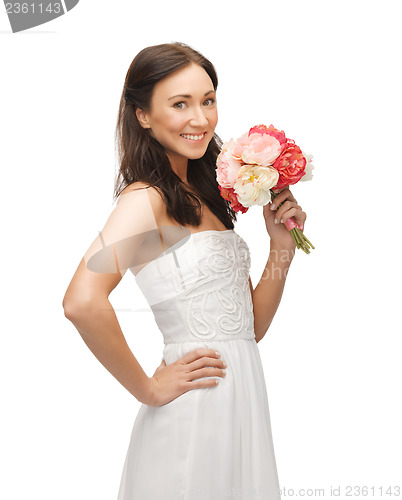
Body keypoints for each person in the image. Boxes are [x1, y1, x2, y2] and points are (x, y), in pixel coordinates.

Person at [62, 41, 307, 499]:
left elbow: (247, 329)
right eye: (180, 104)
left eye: (208, 100)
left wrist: (280, 249)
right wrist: (149, 388)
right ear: (143, 115)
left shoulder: (202, 194)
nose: (201, 119)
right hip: (193, 412)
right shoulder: (146, 199)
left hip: (240, 402)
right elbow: (81, 301)